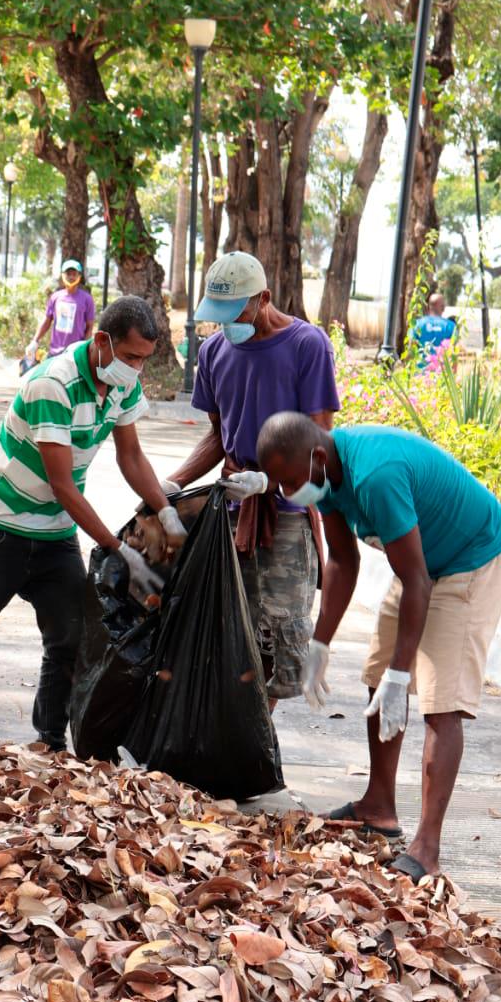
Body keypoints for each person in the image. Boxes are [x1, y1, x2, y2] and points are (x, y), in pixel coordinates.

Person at [0, 296, 186, 749]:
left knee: (69, 638)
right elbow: (63, 485)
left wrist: (166, 511)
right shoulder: (53, 383)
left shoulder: (123, 385)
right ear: (101, 340)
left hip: (54, 536)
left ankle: (49, 740)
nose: (137, 370)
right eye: (131, 357)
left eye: (145, 360)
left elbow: (130, 455)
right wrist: (118, 548)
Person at [256, 413, 501, 881]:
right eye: (279, 485)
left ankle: (427, 848)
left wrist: (405, 675)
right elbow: (342, 559)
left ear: (316, 458)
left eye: (290, 481)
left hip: (471, 559)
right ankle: (379, 806)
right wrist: (321, 643)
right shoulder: (325, 476)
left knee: (441, 703)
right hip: (422, 564)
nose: (287, 493)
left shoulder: (376, 475)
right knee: (378, 679)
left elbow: (416, 581)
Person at [162, 251, 340, 706]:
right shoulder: (215, 351)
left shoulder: (307, 345)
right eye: (216, 314)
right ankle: (237, 738)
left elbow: (320, 442)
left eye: (234, 311)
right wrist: (175, 481)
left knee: (281, 637)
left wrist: (270, 483)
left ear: (262, 298)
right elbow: (219, 437)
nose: (225, 323)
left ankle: (256, 739)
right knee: (230, 631)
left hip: (285, 512)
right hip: (230, 511)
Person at [28, 259, 96, 362]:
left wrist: (84, 349)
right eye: (68, 274)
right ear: (63, 275)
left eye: (74, 274)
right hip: (55, 353)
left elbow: (90, 326)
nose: (71, 277)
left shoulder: (87, 299)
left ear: (79, 276)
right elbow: (47, 321)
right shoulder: (55, 297)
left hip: (75, 355)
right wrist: (34, 341)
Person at [411, 292, 456, 366]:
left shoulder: (417, 324)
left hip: (419, 374)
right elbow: (454, 353)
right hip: (442, 374)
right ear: (443, 308)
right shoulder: (451, 326)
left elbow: (410, 349)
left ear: (428, 306)